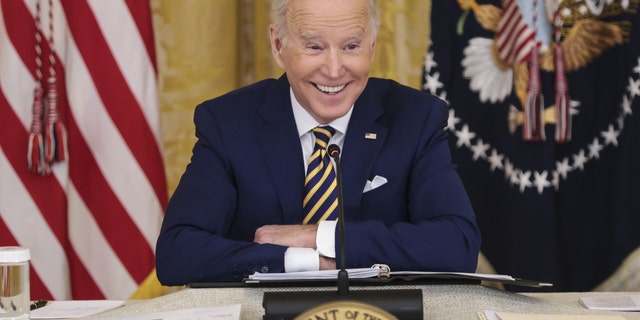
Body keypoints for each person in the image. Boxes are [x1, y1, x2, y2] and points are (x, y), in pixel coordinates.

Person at [155, 0, 481, 286]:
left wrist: (320, 238)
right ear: (278, 44)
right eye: (314, 47)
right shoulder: (227, 122)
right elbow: (178, 252)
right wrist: (308, 262)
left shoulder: (416, 118)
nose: (334, 69)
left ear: (372, 46)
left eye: (351, 46)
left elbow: (457, 244)